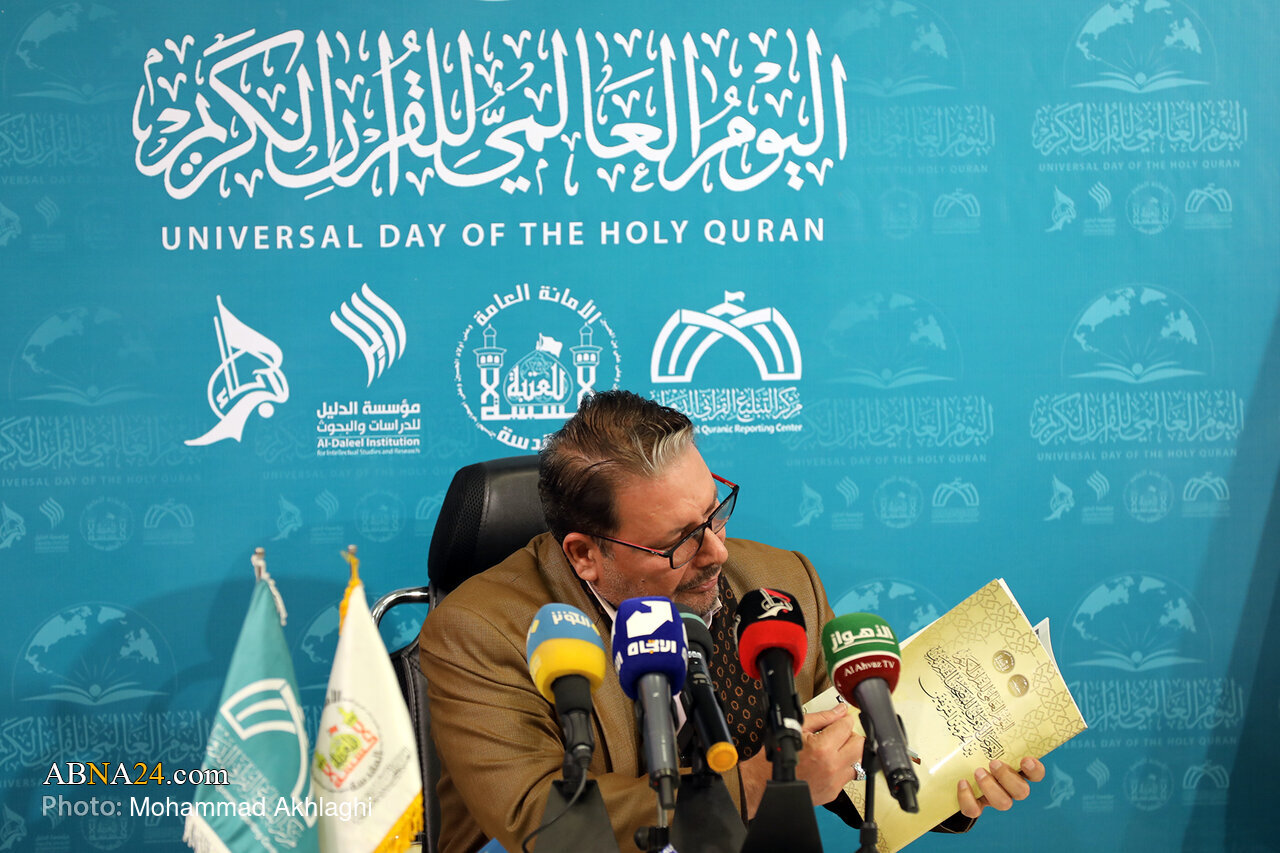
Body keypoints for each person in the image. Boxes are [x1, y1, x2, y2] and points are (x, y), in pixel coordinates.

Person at [419, 391, 1043, 853]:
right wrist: (756, 783)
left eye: (715, 514)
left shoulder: (778, 583)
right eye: (679, 541)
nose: (717, 551)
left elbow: (838, 753)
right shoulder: (480, 630)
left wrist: (946, 782)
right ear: (585, 554)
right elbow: (544, 822)